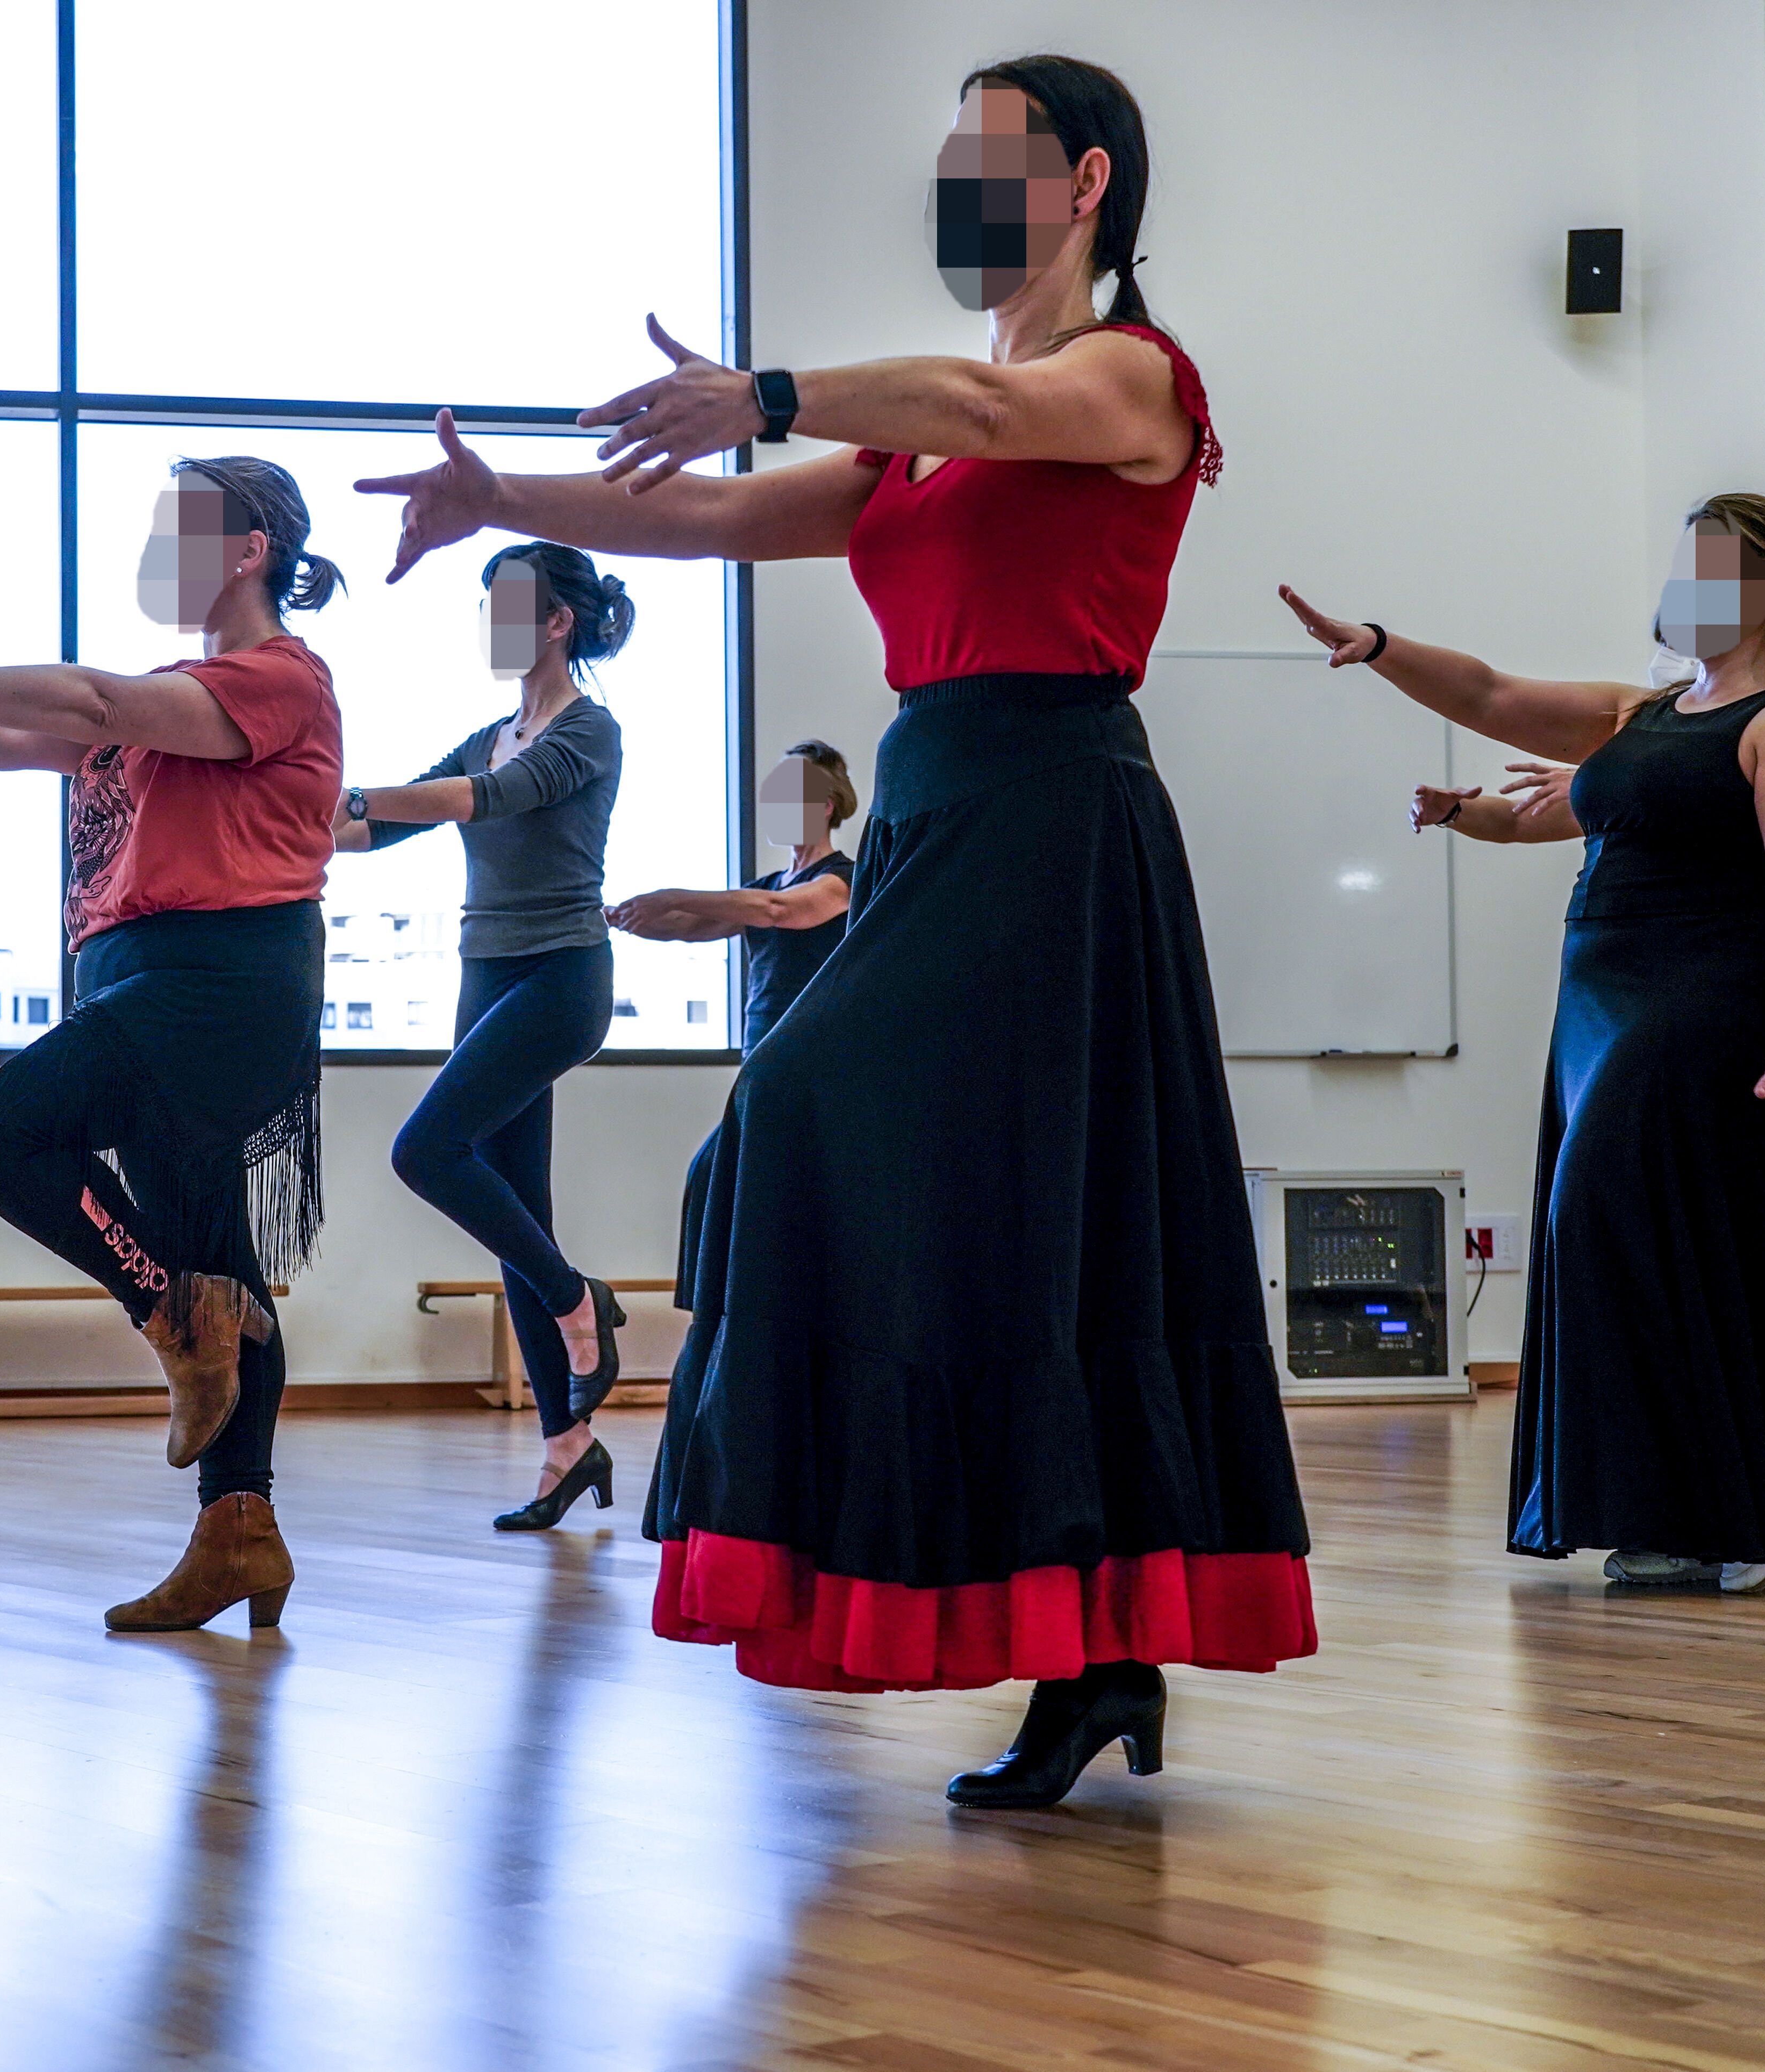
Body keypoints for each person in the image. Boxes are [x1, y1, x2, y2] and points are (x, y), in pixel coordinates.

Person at [357, 54, 1316, 1807]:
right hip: (936, 818)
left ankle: (1070, 1625)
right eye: (948, 158)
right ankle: (1090, 1646)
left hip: (1052, 820)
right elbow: (721, 515)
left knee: (812, 1116)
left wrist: (769, 387)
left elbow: (994, 406)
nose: (957, 184)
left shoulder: (1131, 375)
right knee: (1004, 1225)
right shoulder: (916, 439)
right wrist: (507, 502)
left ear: (1085, 181)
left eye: (990, 155)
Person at [1281, 492, 1765, 1594]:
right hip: (1596, 1006)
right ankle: (1668, 1512)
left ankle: (1740, 1510)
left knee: (1609, 1214)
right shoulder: (1644, 712)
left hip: (1697, 1002)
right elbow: (1490, 697)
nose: (1686, 589)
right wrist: (1380, 650)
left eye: (1712, 570)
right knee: (1618, 1241)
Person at [0, 455, 340, 1633]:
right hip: (141, 981)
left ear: (249, 550)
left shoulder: (277, 680)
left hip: (215, 984)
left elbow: (87, 703)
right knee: (218, 1266)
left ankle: (167, 1315)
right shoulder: (167, 705)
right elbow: (13, 740)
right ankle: (238, 1531)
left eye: (180, 527)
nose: (157, 548)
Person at [335, 542, 635, 1532]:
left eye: (506, 604)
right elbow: (377, 827)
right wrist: (291, 814)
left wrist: (363, 798)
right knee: (519, 1210)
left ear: (556, 622)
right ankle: (567, 1445)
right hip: (486, 976)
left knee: (425, 1150)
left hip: (561, 978)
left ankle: (578, 1298)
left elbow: (487, 798)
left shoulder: (588, 730)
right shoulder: (485, 735)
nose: (488, 621)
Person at [607, 738, 860, 1053]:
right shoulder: (765, 888)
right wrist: (614, 917)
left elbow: (777, 910)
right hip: (761, 1044)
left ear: (826, 806)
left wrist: (671, 897)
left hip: (817, 1048)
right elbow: (686, 926)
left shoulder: (843, 879)